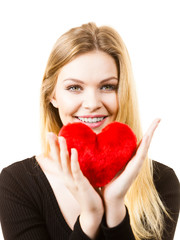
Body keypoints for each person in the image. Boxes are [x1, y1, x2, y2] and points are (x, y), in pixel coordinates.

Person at [0, 22, 179, 240]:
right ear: (52, 96)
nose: (92, 103)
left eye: (108, 86)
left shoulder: (161, 183)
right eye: (74, 87)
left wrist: (114, 209)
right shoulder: (16, 183)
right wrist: (90, 218)